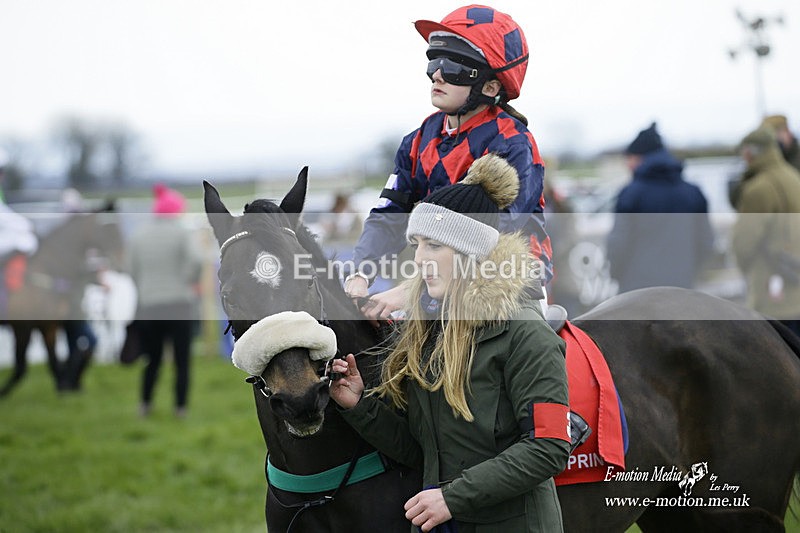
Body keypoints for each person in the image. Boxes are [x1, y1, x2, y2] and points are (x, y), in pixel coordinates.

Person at [330, 154, 571, 533]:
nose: (419, 260)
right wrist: (359, 406)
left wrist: (451, 498)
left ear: (470, 254)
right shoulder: (426, 330)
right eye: (417, 245)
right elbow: (425, 452)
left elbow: (550, 447)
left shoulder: (525, 332)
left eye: (433, 246)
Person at [343, 5, 552, 320]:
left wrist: (413, 291)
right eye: (434, 64)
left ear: (490, 87)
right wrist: (360, 274)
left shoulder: (513, 144)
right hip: (436, 281)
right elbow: (389, 215)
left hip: (507, 282)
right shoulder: (417, 141)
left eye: (453, 68)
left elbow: (490, 235)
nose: (437, 75)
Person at [606, 122, 714, 293]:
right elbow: (706, 242)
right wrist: (689, 272)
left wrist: (617, 275)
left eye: (629, 159)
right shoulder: (693, 192)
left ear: (639, 157)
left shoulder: (631, 194)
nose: (627, 165)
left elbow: (618, 244)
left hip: (636, 291)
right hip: (682, 287)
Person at [128, 184, 203, 417]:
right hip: (179, 303)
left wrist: (145, 288)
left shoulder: (138, 235)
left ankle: (145, 404)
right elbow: (196, 260)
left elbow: (130, 269)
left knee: (152, 358)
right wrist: (188, 279)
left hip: (149, 305)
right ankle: (180, 407)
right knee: (182, 360)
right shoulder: (181, 232)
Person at [731, 126, 800, 337]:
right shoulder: (793, 177)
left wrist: (745, 268)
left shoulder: (759, 188)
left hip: (772, 292)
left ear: (750, 152)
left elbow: (744, 243)